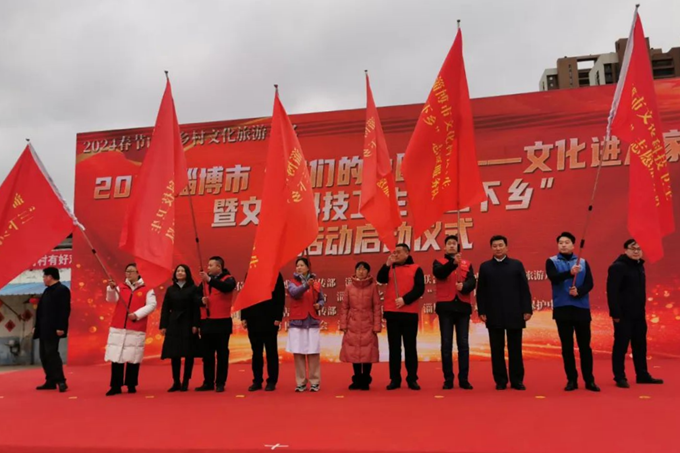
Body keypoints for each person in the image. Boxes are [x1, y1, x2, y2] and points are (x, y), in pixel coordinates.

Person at [545, 232, 600, 392]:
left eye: (567, 242)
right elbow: (554, 278)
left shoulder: (582, 262)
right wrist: (570, 273)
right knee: (567, 347)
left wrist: (579, 291)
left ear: (573, 245)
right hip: (562, 308)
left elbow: (590, 283)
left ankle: (589, 380)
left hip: (581, 308)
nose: (563, 245)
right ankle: (571, 380)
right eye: (561, 242)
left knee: (585, 346)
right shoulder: (552, 261)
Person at [476, 235, 532, 390]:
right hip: (493, 312)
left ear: (506, 247)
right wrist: (482, 310)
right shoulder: (485, 267)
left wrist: (527, 309)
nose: (498, 248)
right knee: (496, 349)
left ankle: (517, 380)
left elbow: (524, 289)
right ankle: (500, 380)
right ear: (491, 248)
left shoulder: (516, 265)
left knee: (515, 348)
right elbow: (481, 291)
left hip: (515, 312)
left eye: (501, 245)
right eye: (495, 246)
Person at [607, 239, 664, 388]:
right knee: (621, 346)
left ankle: (642, 374)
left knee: (640, 345)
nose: (636, 251)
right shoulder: (617, 267)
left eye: (639, 249)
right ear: (625, 250)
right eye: (633, 248)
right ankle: (619, 376)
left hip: (638, 314)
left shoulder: (639, 266)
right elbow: (612, 292)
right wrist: (615, 314)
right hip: (623, 315)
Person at [377, 243, 425, 391]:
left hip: (409, 313)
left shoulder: (416, 268)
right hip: (392, 313)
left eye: (398, 252)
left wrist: (405, 300)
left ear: (407, 253)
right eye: (394, 252)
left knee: (410, 347)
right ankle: (395, 379)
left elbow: (419, 289)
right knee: (394, 348)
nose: (395, 254)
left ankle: (412, 378)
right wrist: (387, 264)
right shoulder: (390, 268)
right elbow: (380, 279)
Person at [104, 263, 157, 396]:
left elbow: (151, 305)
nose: (129, 274)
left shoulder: (147, 288)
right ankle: (115, 385)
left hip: (136, 326)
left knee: (133, 357)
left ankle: (131, 384)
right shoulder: (120, 287)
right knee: (117, 357)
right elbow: (111, 299)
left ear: (138, 273)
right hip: (118, 326)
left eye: (132, 271)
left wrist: (137, 315)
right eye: (127, 271)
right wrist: (111, 289)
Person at [433, 235, 476, 390]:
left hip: (462, 307)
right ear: (445, 247)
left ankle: (464, 379)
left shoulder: (467, 264)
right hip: (446, 308)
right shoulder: (439, 262)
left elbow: (472, 282)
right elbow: (440, 274)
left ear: (458, 246)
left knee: (463, 344)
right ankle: (448, 379)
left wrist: (464, 286)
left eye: (454, 243)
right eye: (449, 243)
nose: (451, 245)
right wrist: (453, 263)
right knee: (446, 344)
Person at [196, 256, 236, 393]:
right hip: (207, 322)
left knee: (222, 354)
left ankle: (220, 382)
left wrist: (209, 280)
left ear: (219, 267)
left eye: (211, 265)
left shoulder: (228, 279)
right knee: (207, 355)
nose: (208, 267)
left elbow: (226, 288)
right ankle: (208, 382)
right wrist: (201, 300)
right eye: (208, 265)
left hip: (222, 322)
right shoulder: (204, 282)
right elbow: (195, 296)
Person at [339, 261, 382, 390]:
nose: (361, 272)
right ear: (355, 271)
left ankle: (365, 380)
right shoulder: (349, 287)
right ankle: (357, 379)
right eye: (358, 269)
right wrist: (343, 324)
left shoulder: (373, 287)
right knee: (354, 353)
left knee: (367, 353)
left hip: (368, 324)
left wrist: (377, 326)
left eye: (364, 269)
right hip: (353, 324)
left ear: (368, 272)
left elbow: (377, 307)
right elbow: (344, 307)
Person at [160, 264, 201, 392]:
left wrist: (196, 324)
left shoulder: (193, 288)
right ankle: (176, 381)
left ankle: (186, 380)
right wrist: (163, 325)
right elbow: (165, 308)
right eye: (178, 271)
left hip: (188, 322)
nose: (180, 273)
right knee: (175, 353)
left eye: (183, 271)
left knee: (189, 353)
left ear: (187, 273)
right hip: (174, 323)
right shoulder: (170, 289)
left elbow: (197, 308)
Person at [241, 272, 285, 392]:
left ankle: (271, 381)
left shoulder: (274, 273)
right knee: (256, 352)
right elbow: (245, 295)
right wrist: (244, 316)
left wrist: (278, 317)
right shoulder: (251, 272)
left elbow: (280, 296)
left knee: (271, 351)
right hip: (253, 319)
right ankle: (257, 380)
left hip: (270, 319)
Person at [287, 257, 325, 392]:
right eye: (297, 266)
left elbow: (321, 299)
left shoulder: (316, 283)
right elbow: (294, 294)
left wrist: (319, 305)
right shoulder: (292, 283)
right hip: (298, 322)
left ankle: (315, 382)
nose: (299, 268)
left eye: (302, 265)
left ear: (308, 267)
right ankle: (301, 382)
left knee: (313, 352)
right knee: (299, 353)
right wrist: (306, 285)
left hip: (312, 321)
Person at [33, 267, 71, 393]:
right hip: (43, 328)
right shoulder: (47, 291)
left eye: (44, 276)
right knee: (44, 355)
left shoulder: (62, 290)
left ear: (50, 277)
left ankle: (61, 381)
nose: (43, 279)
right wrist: (36, 326)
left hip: (54, 329)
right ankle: (50, 381)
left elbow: (64, 310)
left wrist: (61, 327)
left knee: (52, 354)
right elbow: (40, 311)